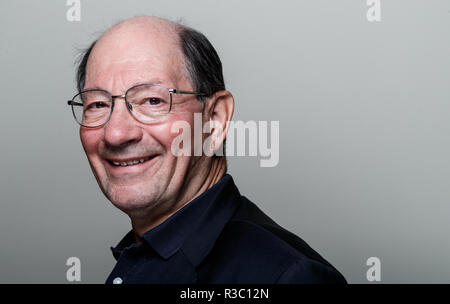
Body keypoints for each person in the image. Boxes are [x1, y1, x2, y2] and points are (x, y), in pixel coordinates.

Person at [67, 15, 346, 284]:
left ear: (214, 121)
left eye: (152, 101)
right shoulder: (142, 255)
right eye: (97, 105)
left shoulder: (287, 276)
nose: (115, 133)